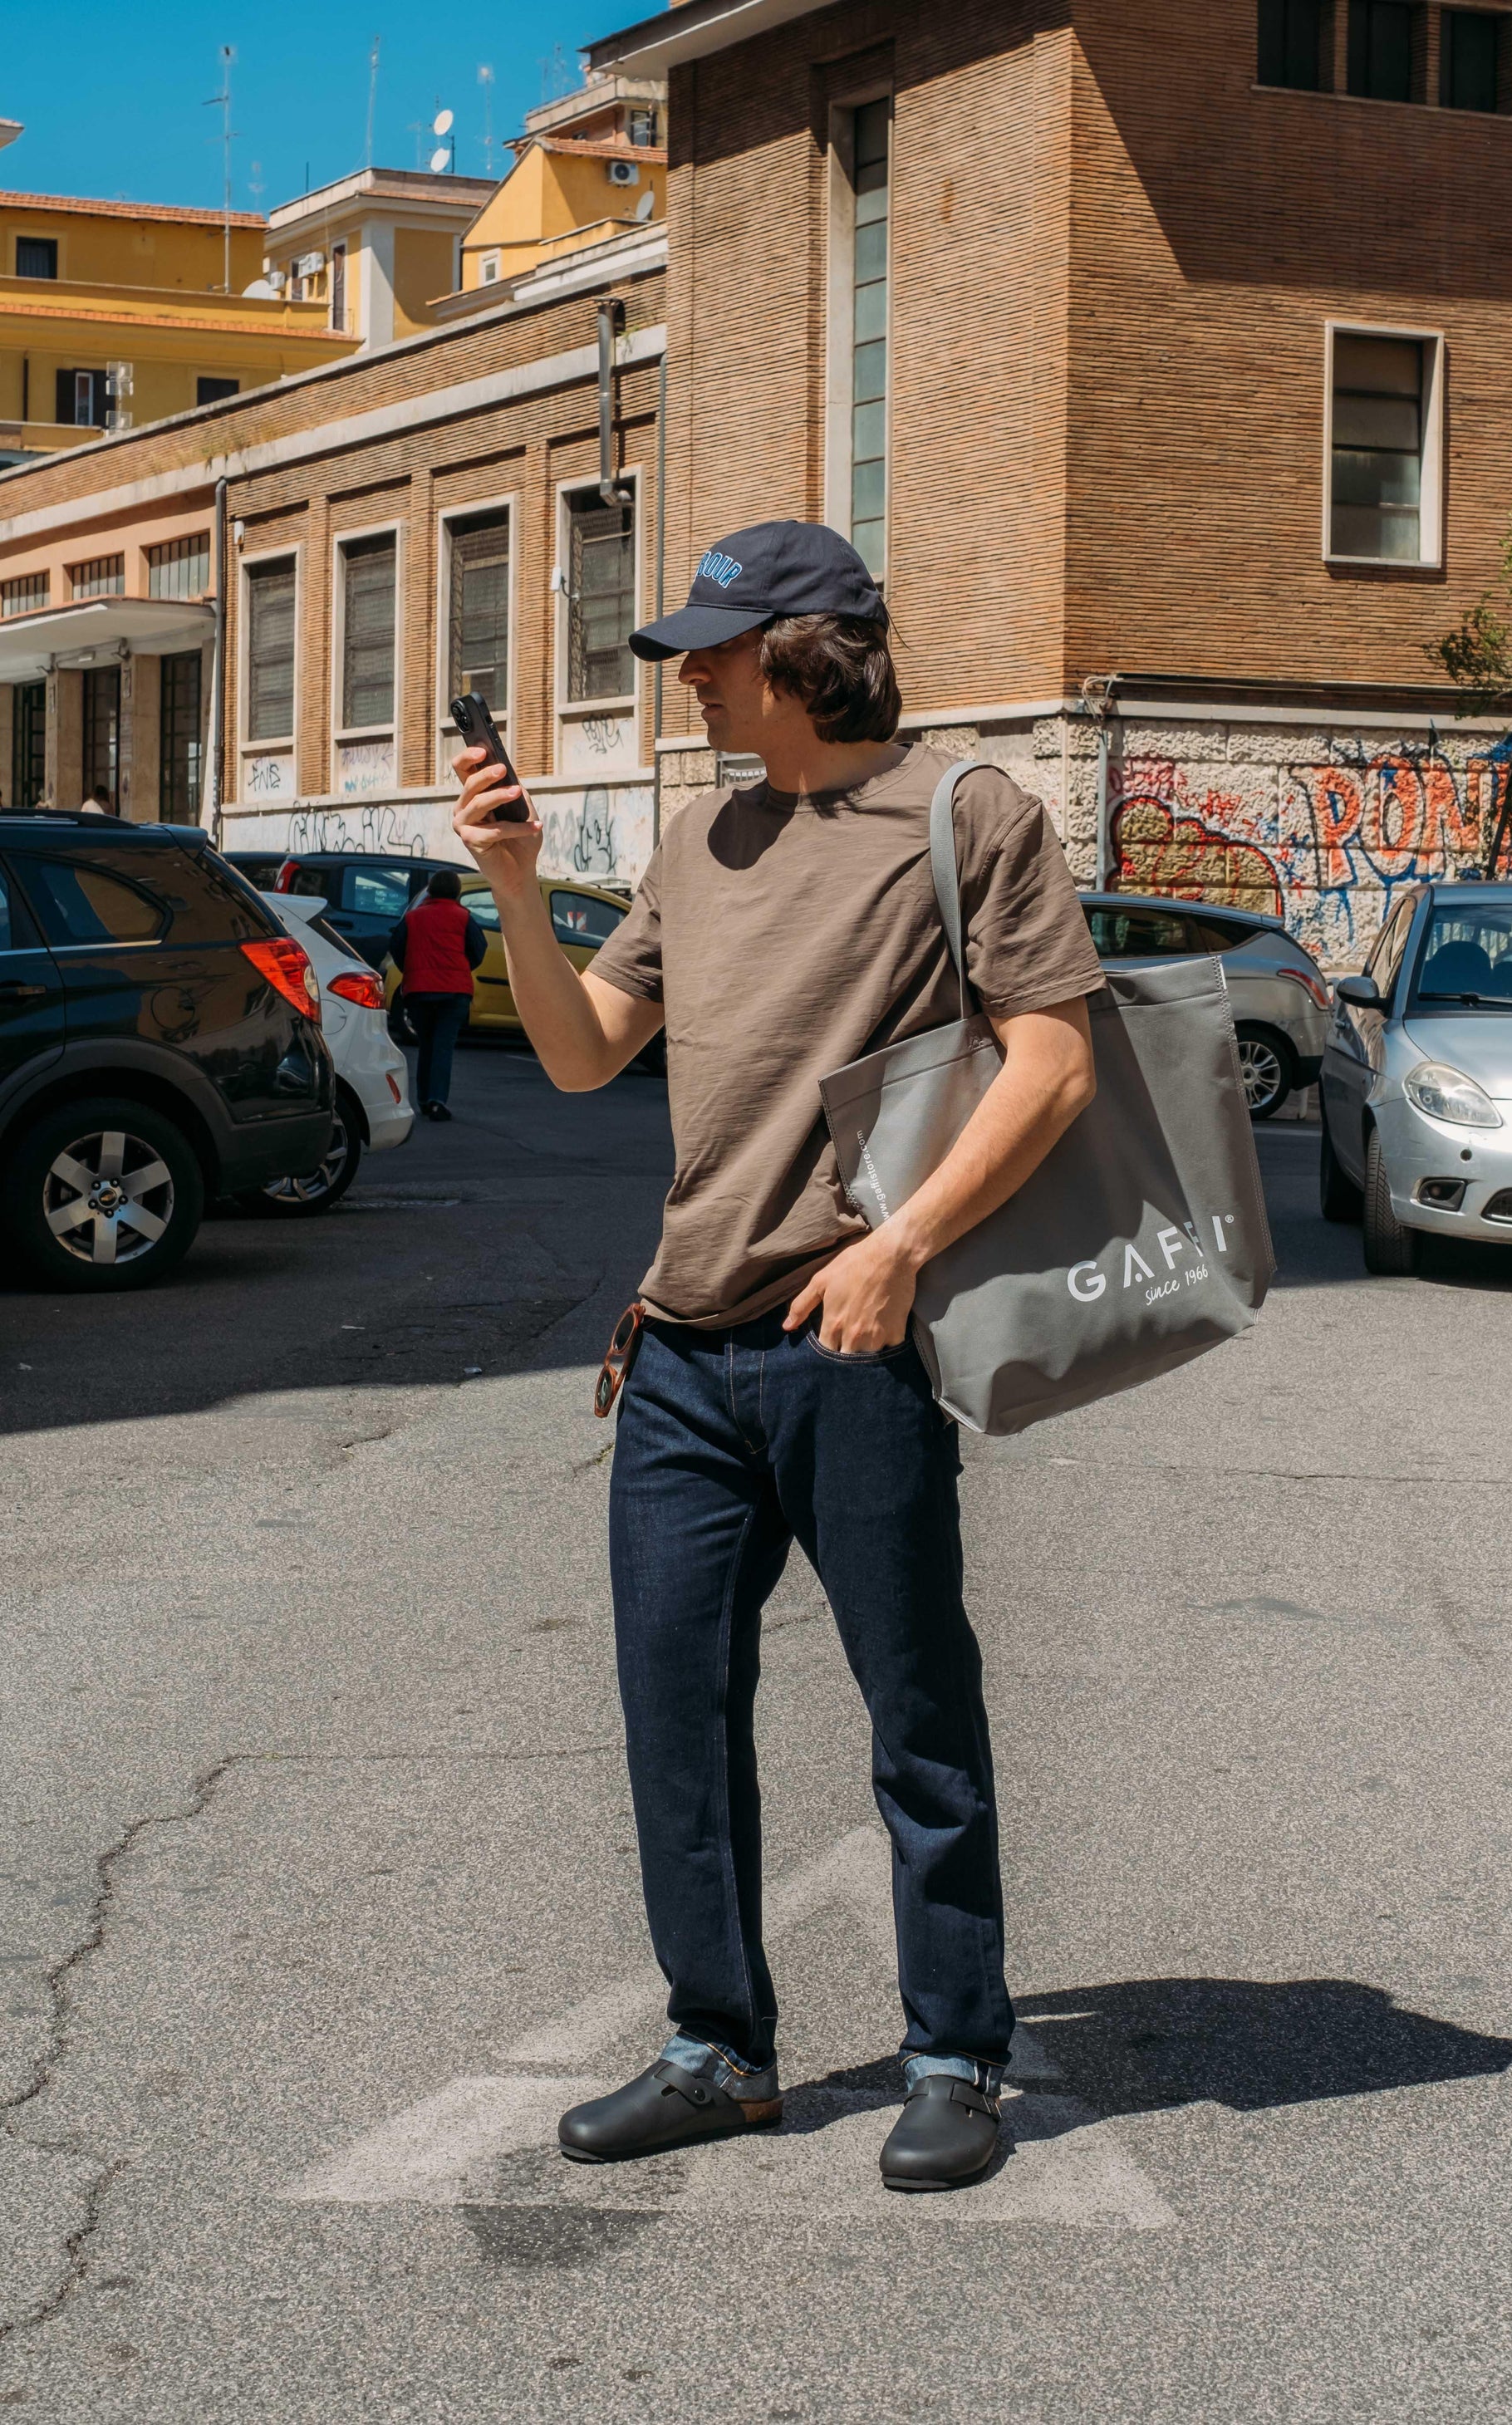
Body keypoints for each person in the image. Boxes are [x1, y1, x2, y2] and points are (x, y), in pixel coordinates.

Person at [450, 520, 1106, 2192]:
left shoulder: (964, 815)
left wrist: (900, 1247)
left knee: (916, 1712)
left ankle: (952, 2046)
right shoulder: (699, 834)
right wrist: (520, 893)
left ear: (811, 653)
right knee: (674, 1705)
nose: (688, 673)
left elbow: (1053, 1064)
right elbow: (588, 1051)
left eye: (717, 649)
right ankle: (716, 2046)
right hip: (677, 1349)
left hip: (851, 1337)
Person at [388, 868, 485, 1120]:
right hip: (454, 992)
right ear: (457, 891)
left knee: (427, 1045)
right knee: (443, 1046)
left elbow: (397, 949)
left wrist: (413, 971)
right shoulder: (464, 918)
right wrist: (461, 969)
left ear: (430, 890)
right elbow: (479, 950)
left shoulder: (412, 918)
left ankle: (422, 1098)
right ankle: (436, 1100)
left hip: (419, 991)